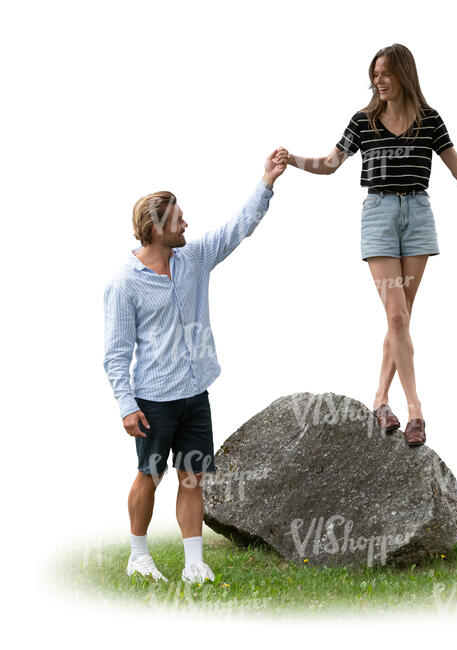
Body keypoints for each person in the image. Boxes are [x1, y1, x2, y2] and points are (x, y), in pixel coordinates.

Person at [282, 43, 457, 447]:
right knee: (396, 316)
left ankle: (380, 399)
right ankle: (415, 410)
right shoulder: (363, 121)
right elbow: (330, 164)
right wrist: (293, 159)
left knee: (402, 319)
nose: (377, 81)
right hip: (379, 215)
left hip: (417, 214)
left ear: (403, 75)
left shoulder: (430, 120)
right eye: (374, 74)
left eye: (385, 73)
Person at [103, 148, 288, 583]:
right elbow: (115, 353)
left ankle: (193, 564)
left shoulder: (195, 259)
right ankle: (138, 556)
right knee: (149, 476)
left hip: (194, 394)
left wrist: (267, 182)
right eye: (178, 219)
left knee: (191, 479)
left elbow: (237, 229)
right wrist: (126, 405)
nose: (187, 224)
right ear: (155, 229)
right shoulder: (124, 284)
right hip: (153, 399)